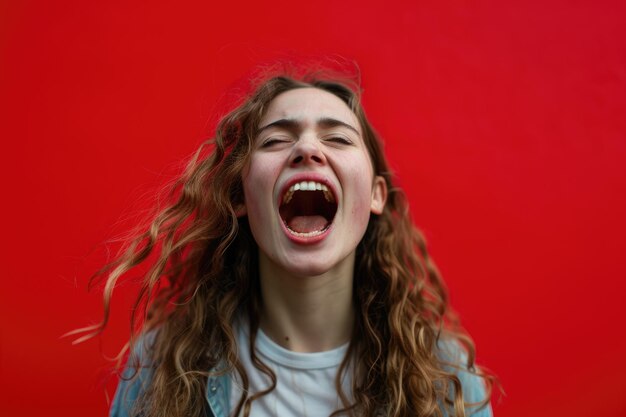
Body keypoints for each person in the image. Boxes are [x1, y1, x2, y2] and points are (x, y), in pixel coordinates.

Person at [88, 68, 494, 417]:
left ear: (375, 195)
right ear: (240, 197)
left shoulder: (446, 378)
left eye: (337, 138)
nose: (306, 147)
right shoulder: (159, 364)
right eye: (275, 140)